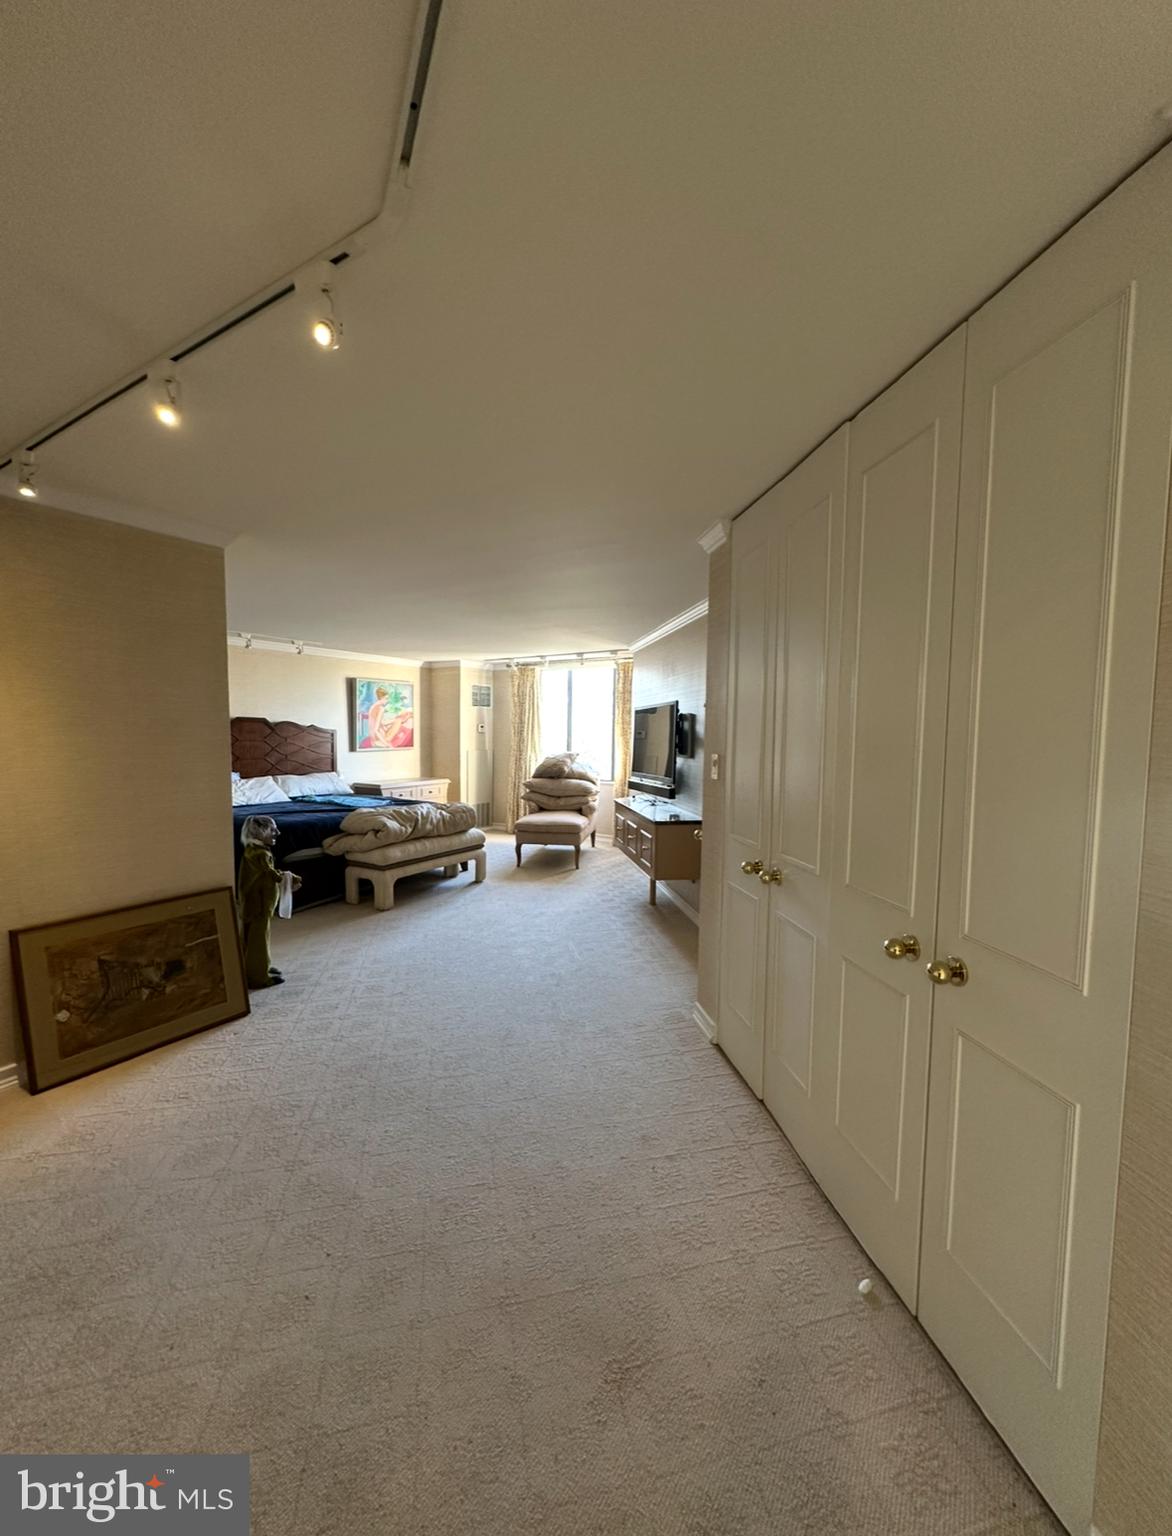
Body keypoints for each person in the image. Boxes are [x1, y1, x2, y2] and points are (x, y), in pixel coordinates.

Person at [237, 815, 300, 988]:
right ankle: (259, 977)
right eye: (272, 830)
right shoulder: (261, 854)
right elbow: (272, 875)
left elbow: (267, 872)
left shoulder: (251, 850)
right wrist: (291, 878)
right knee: (259, 938)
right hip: (260, 904)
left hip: (251, 902)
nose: (277, 833)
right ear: (260, 831)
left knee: (251, 937)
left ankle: (254, 968)